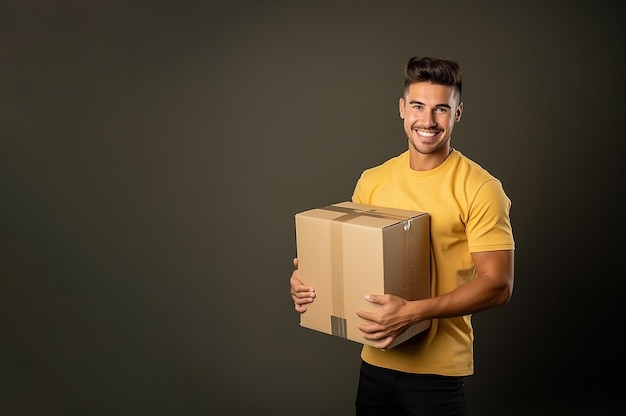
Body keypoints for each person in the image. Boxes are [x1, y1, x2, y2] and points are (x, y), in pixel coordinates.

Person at [289, 56, 515, 415]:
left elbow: (498, 285)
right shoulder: (373, 180)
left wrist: (412, 313)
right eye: (418, 106)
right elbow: (352, 258)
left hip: (438, 374)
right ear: (401, 108)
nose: (427, 121)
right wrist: (309, 281)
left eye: (441, 108)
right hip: (375, 362)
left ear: (457, 113)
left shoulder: (481, 188)